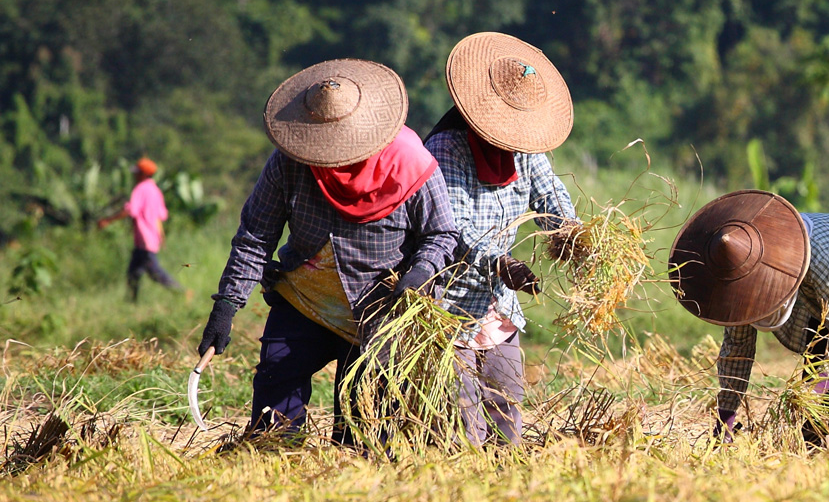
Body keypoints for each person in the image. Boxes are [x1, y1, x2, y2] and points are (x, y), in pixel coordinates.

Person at [196, 59, 458, 442]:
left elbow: (442, 234)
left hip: (379, 309)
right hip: (304, 299)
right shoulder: (291, 161)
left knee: (361, 424)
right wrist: (226, 305)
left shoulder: (410, 163)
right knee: (275, 397)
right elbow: (256, 235)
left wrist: (420, 273)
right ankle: (274, 474)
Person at [427, 32, 579, 446]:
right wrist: (499, 262)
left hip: (498, 310)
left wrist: (575, 236)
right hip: (448, 308)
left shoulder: (524, 148)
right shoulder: (446, 146)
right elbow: (452, 224)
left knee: (507, 416)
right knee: (464, 426)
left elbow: (551, 197)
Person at [670, 190, 829, 445]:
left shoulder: (815, 254)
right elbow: (737, 350)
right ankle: (822, 464)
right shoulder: (740, 279)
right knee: (819, 427)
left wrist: (813, 393)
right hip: (822, 305)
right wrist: (725, 421)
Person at [97, 157, 182, 301]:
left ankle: (181, 292)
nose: (134, 175)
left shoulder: (141, 189)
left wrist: (108, 221)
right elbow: (161, 216)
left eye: (136, 173)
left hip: (145, 238)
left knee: (154, 272)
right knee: (133, 273)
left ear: (143, 174)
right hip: (149, 239)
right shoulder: (156, 190)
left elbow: (130, 210)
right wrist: (161, 237)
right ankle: (131, 302)